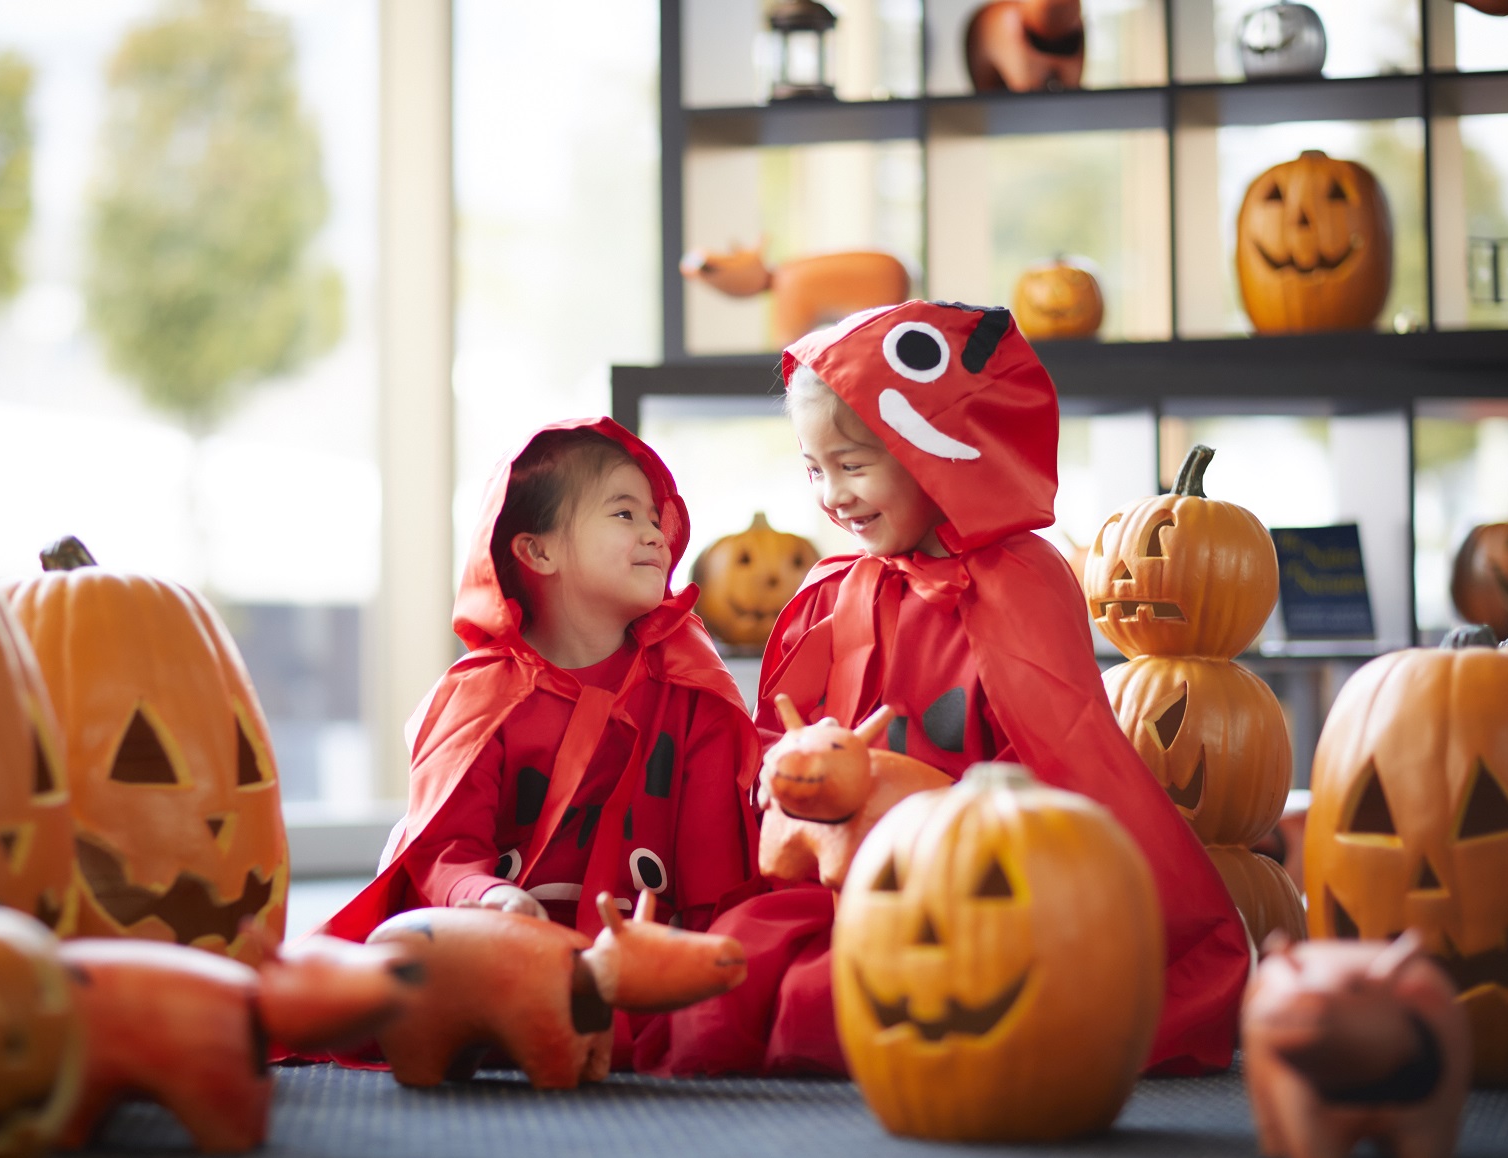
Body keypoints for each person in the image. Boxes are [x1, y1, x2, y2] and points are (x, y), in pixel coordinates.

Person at [643, 301, 1250, 1078]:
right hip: (854, 876)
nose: (832, 496)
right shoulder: (839, 593)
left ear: (940, 450)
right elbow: (797, 751)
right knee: (728, 972)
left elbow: (1066, 754)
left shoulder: (1020, 580)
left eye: (854, 465)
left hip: (988, 884)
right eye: (814, 469)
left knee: (844, 996)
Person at [310, 417, 763, 1068]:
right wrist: (491, 898)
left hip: (639, 959)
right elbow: (444, 853)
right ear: (538, 552)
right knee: (400, 986)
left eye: (655, 516)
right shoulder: (482, 699)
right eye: (623, 512)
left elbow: (716, 874)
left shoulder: (692, 692)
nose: (654, 533)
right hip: (502, 957)